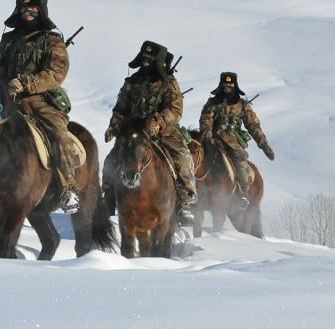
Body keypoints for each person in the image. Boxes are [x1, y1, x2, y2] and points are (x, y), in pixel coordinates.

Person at [0, 0, 81, 214]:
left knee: (58, 133)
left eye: (33, 9)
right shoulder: (8, 39)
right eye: (23, 9)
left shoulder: (52, 40)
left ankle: (68, 188)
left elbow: (56, 73)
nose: (27, 13)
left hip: (40, 100)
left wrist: (25, 83)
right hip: (7, 99)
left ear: (41, 11)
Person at [102, 41, 197, 225]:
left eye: (150, 58)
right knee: (111, 159)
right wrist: (114, 126)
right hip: (133, 132)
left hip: (163, 133)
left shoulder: (168, 83)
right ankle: (108, 196)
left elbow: (175, 109)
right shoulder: (132, 82)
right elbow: (120, 108)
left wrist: (157, 122)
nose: (146, 61)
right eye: (144, 57)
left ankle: (184, 202)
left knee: (183, 157)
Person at [199, 72, 275, 209]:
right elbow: (205, 122)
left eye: (231, 84)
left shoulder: (243, 105)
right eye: (225, 84)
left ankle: (243, 194)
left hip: (234, 142)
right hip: (213, 141)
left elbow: (253, 126)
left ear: (235, 85)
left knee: (240, 158)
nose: (228, 86)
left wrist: (264, 145)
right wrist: (208, 139)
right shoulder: (212, 103)